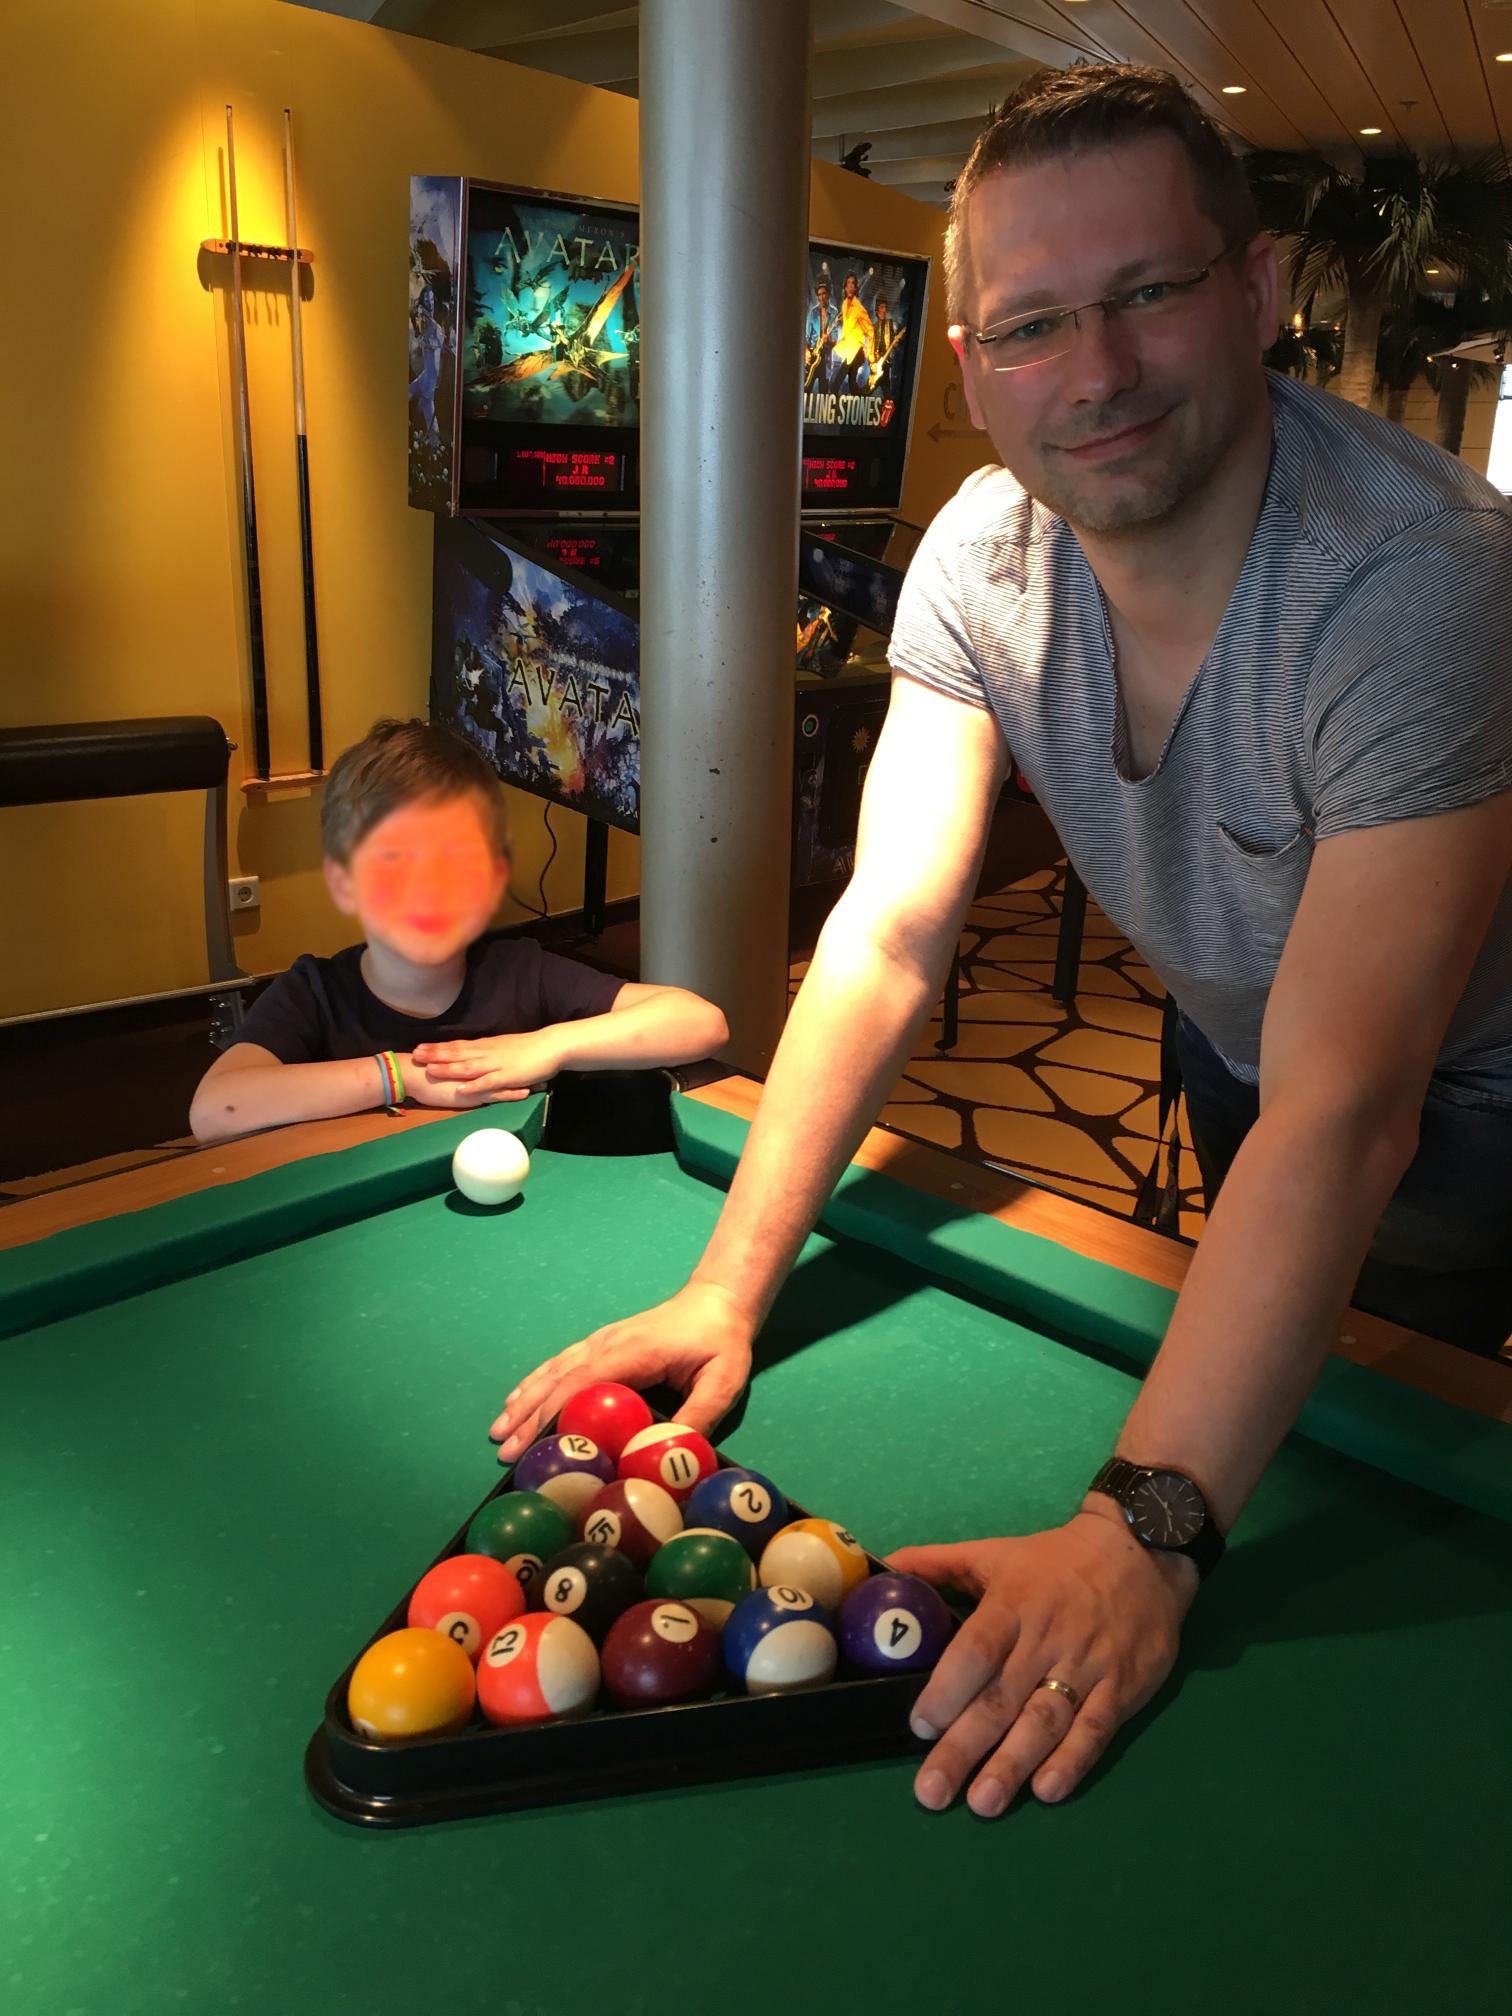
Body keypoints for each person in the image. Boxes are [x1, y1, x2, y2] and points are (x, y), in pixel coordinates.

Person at [490, 62, 1512, 1821]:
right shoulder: (981, 551)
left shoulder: (1418, 581)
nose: (1094, 372)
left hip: (1475, 1095)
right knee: (1311, 1365)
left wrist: (1144, 1531)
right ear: (970, 367)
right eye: (1033, 323)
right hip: (1240, 1050)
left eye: (1148, 292)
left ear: (1256, 287)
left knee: (1419, 1444)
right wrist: (730, 1287)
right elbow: (890, 931)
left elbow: (1352, 1106)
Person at [190, 719, 727, 1142]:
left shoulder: (519, 973)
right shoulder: (315, 993)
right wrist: (402, 1076)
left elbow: (699, 1021)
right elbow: (216, 1108)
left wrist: (548, 1046)